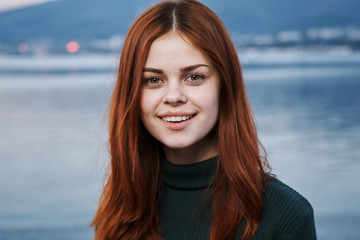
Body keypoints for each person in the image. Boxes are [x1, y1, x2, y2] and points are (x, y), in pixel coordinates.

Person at [91, 0, 317, 239]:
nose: (174, 97)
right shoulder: (118, 214)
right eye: (153, 80)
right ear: (132, 95)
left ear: (224, 86)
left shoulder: (285, 215)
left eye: (194, 77)